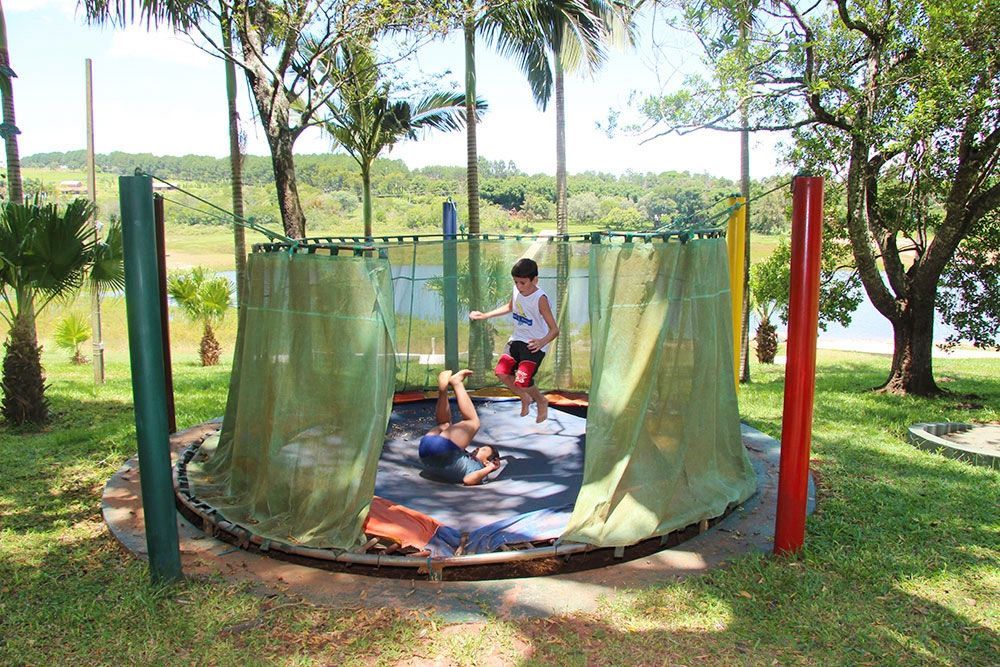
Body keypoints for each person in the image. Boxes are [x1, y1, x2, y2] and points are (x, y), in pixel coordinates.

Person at [469, 257, 559, 422]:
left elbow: (555, 330)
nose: (518, 286)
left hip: (534, 344)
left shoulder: (540, 299)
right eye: (516, 282)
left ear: (535, 280)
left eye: (523, 283)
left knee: (523, 380)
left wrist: (541, 342)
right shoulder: (517, 290)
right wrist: (485, 315)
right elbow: (510, 307)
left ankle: (541, 401)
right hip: (517, 339)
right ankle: (524, 397)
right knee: (501, 373)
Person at [418, 369, 501, 486]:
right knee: (445, 424)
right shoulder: (467, 459)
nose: (476, 449)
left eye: (482, 450)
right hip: (426, 451)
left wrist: (490, 468)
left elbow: (468, 480)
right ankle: (443, 390)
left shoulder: (479, 469)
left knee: (473, 421)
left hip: (440, 451)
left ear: (487, 461)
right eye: (478, 448)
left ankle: (456, 382)